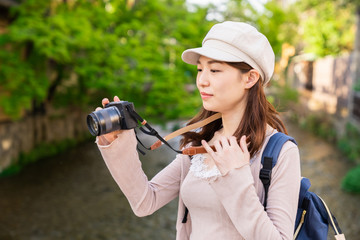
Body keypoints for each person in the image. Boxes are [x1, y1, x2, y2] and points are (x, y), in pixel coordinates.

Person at [95, 21, 301, 240]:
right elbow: (145, 201)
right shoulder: (199, 143)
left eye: (214, 70)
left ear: (249, 78)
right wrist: (117, 141)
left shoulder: (280, 152)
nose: (201, 81)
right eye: (200, 69)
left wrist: (235, 177)